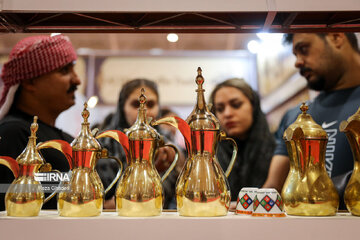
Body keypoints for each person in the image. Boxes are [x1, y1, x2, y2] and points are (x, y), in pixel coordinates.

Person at [262, 33, 360, 209]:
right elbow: (272, 189)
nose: (297, 62)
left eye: (304, 49)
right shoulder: (293, 117)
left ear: (336, 38)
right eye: (295, 54)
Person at [0, 35, 81, 210]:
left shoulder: (65, 138)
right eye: (65, 71)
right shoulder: (12, 134)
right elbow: (7, 204)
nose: (77, 80)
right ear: (30, 81)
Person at [96, 79, 180, 209]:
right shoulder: (104, 142)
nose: (144, 110)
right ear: (122, 108)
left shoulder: (167, 141)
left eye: (151, 104)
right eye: (136, 104)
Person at [209, 78, 275, 204]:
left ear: (253, 106)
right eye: (220, 108)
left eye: (236, 105)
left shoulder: (278, 151)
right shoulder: (210, 157)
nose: (227, 114)